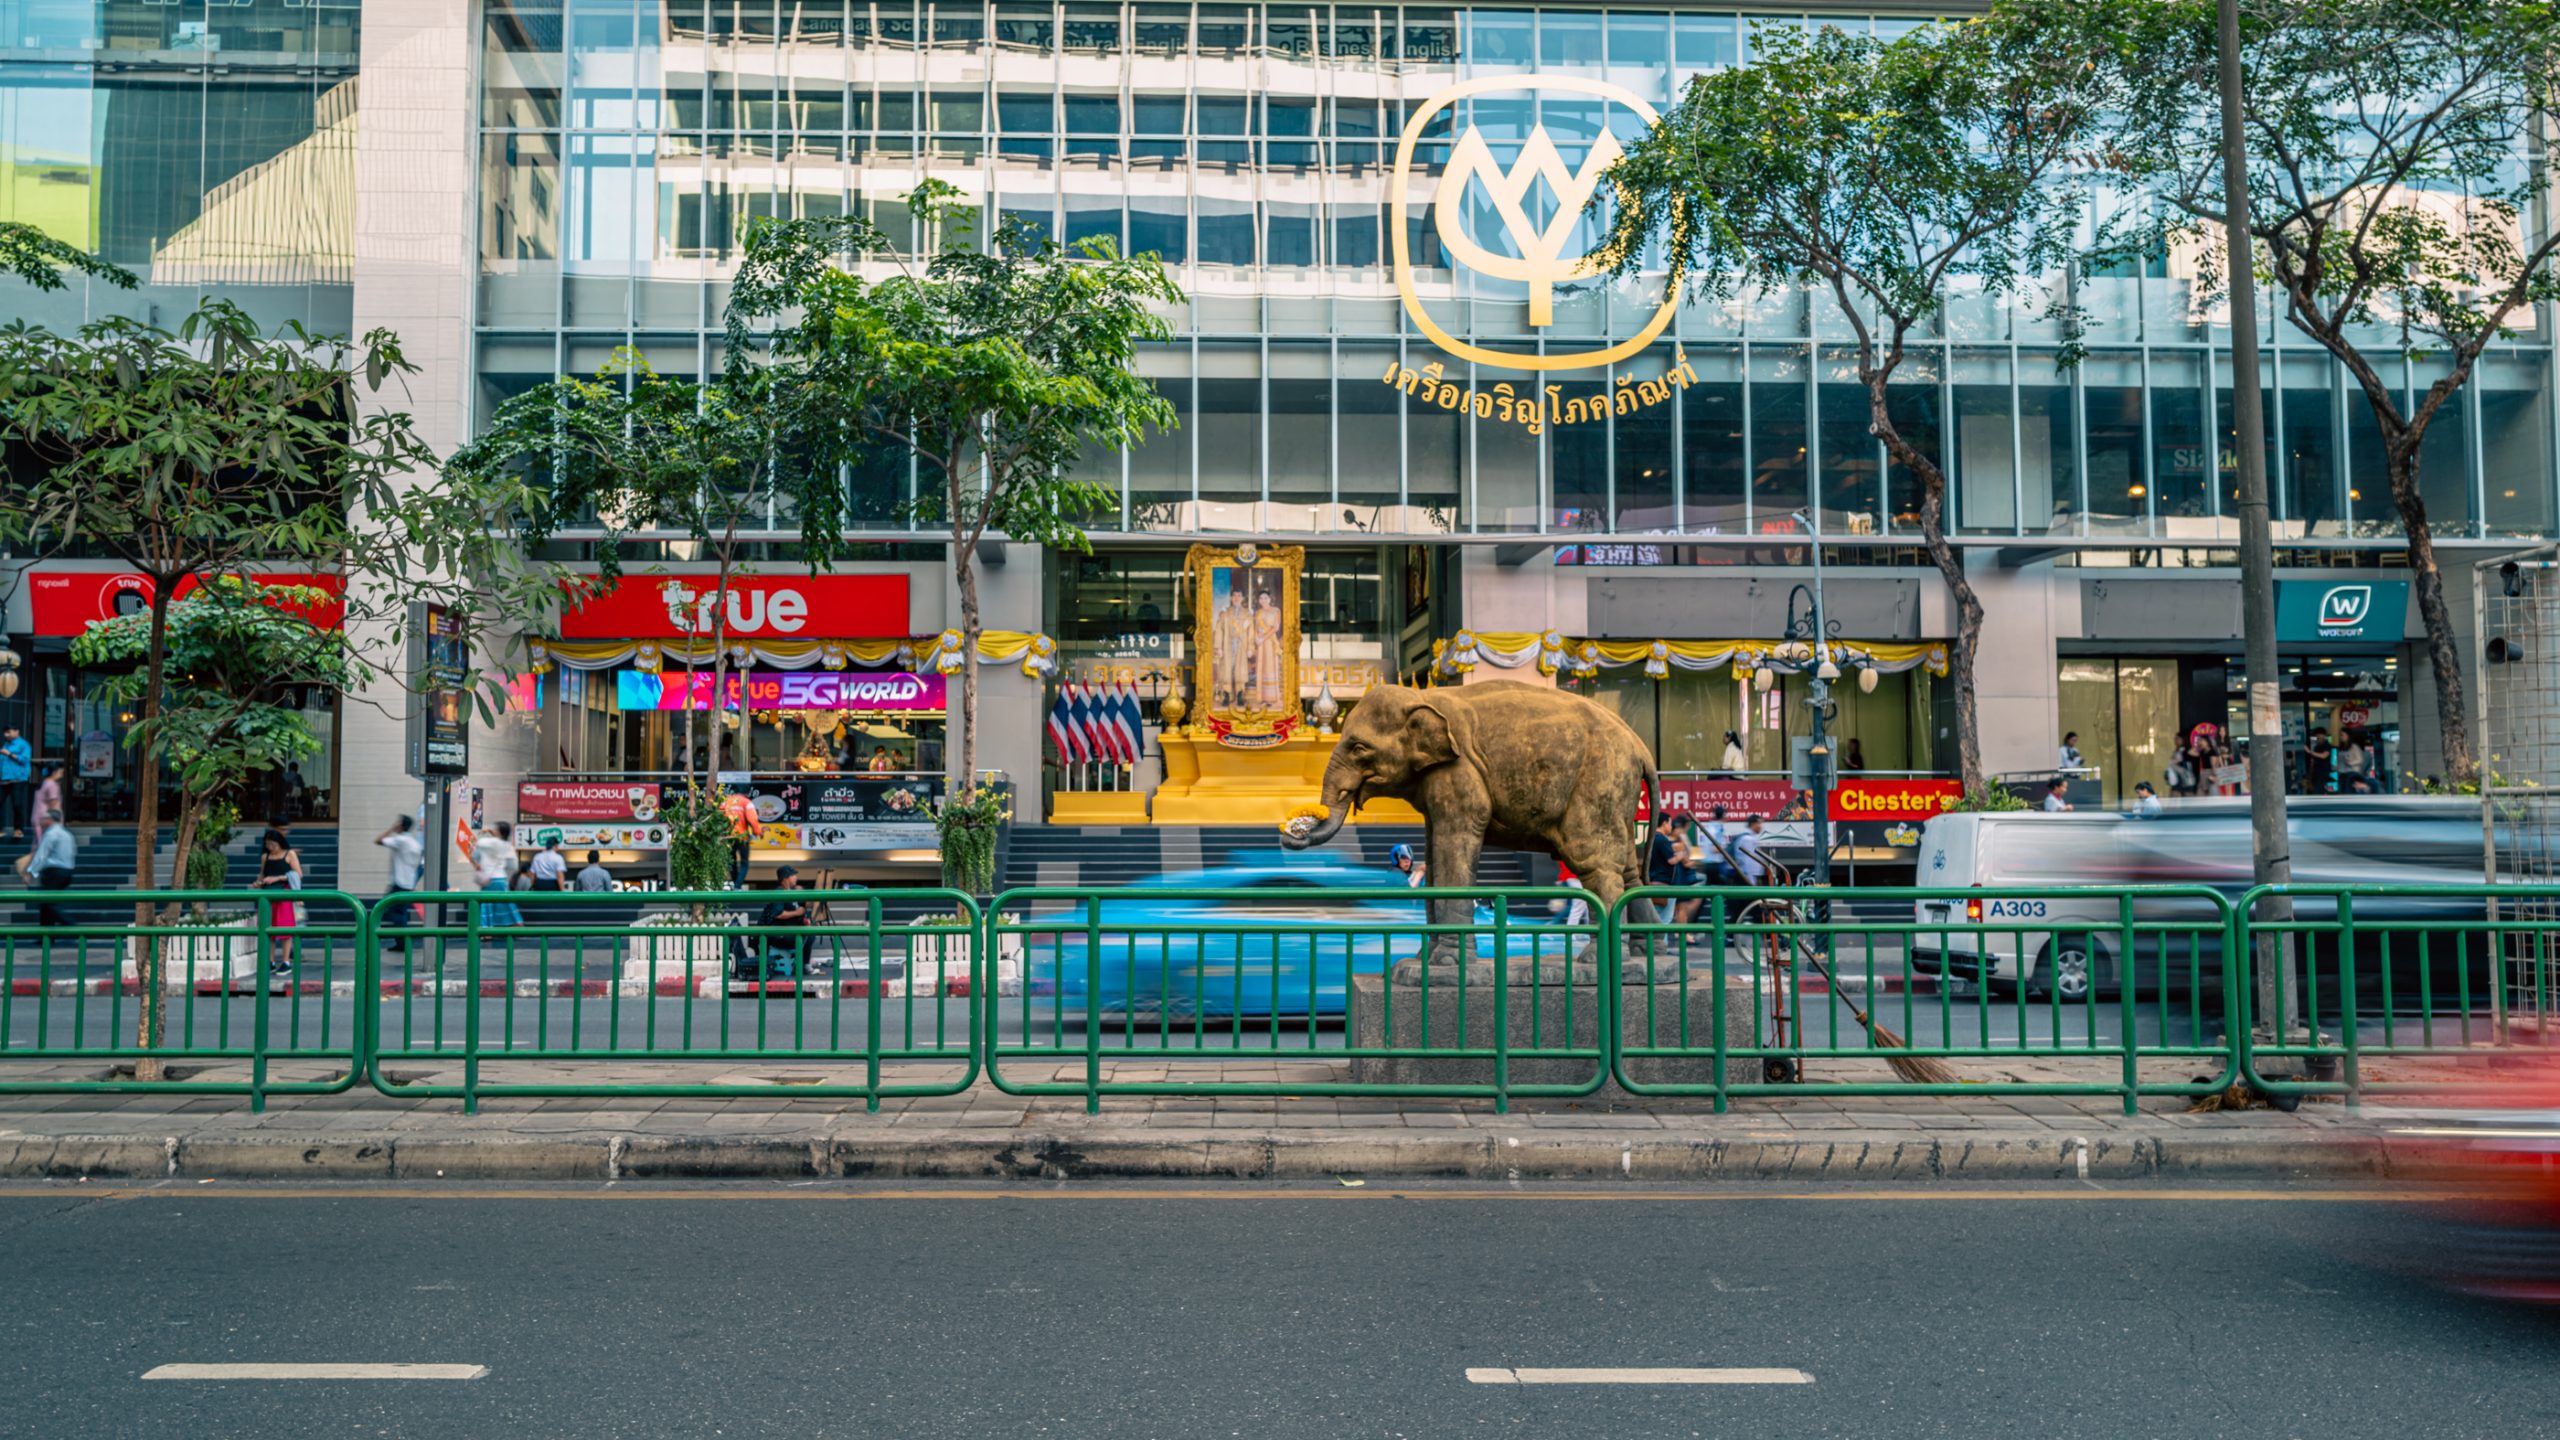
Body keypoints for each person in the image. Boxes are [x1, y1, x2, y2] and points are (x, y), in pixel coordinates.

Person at [251, 832, 302, 974]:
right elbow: (263, 874)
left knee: (285, 927)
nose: (270, 847)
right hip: (267, 894)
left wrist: (277, 878)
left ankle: (286, 961)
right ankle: (270, 961)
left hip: (284, 893)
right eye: (267, 844)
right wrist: (259, 882)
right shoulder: (265, 857)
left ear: (280, 842)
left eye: (273, 844)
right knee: (268, 927)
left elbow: (298, 874)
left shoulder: (289, 854)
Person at [751, 867, 811, 979]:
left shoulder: (790, 892)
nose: (796, 878)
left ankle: (803, 964)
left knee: (810, 933)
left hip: (784, 931)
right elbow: (778, 914)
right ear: (785, 878)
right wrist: (797, 913)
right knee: (808, 935)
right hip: (776, 935)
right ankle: (803, 965)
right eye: (793, 875)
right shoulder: (779, 892)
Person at [377, 815, 426, 954]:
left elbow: (378, 840)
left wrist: (391, 829)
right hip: (408, 883)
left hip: (398, 882)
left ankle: (402, 942)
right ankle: (402, 942)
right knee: (401, 913)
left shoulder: (400, 840)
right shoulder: (414, 843)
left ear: (401, 825)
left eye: (398, 823)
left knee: (392, 912)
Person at [28, 810, 75, 927]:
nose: (41, 821)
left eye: (44, 818)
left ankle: (70, 925)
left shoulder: (51, 833)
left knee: (48, 904)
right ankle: (47, 936)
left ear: (50, 820)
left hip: (53, 872)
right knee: (47, 904)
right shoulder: (67, 834)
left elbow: (42, 854)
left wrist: (32, 871)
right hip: (66, 871)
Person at [471, 820, 522, 927]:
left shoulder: (485, 843)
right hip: (501, 879)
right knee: (506, 903)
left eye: (495, 829)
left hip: (488, 880)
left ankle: (486, 930)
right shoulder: (508, 846)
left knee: (486, 904)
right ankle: (515, 923)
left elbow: (475, 854)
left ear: (498, 832)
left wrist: (486, 832)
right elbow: (513, 866)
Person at [719, 790, 761, 886]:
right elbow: (753, 819)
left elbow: (719, 817)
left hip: (728, 837)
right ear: (745, 792)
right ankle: (737, 886)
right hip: (742, 837)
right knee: (744, 863)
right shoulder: (746, 802)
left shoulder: (725, 801)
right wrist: (757, 832)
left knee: (731, 861)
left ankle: (735, 884)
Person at [0, 724, 30, 839]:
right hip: (4, 779)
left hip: (18, 779)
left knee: (17, 804)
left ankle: (18, 830)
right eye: (5, 732)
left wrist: (10, 754)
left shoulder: (23, 745)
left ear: (17, 731)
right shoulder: (6, 744)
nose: (6, 735)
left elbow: (24, 760)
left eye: (8, 732)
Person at [1729, 815, 1770, 886]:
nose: (1761, 826)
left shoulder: (1748, 837)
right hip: (1746, 877)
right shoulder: (1747, 839)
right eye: (1759, 823)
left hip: (1745, 876)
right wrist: (1751, 881)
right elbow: (1748, 862)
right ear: (1753, 824)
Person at [31, 762, 63, 841]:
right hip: (48, 820)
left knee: (40, 847)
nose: (62, 774)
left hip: (37, 817)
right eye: (60, 772)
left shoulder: (42, 783)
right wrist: (59, 821)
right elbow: (54, 805)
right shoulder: (52, 785)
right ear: (54, 772)